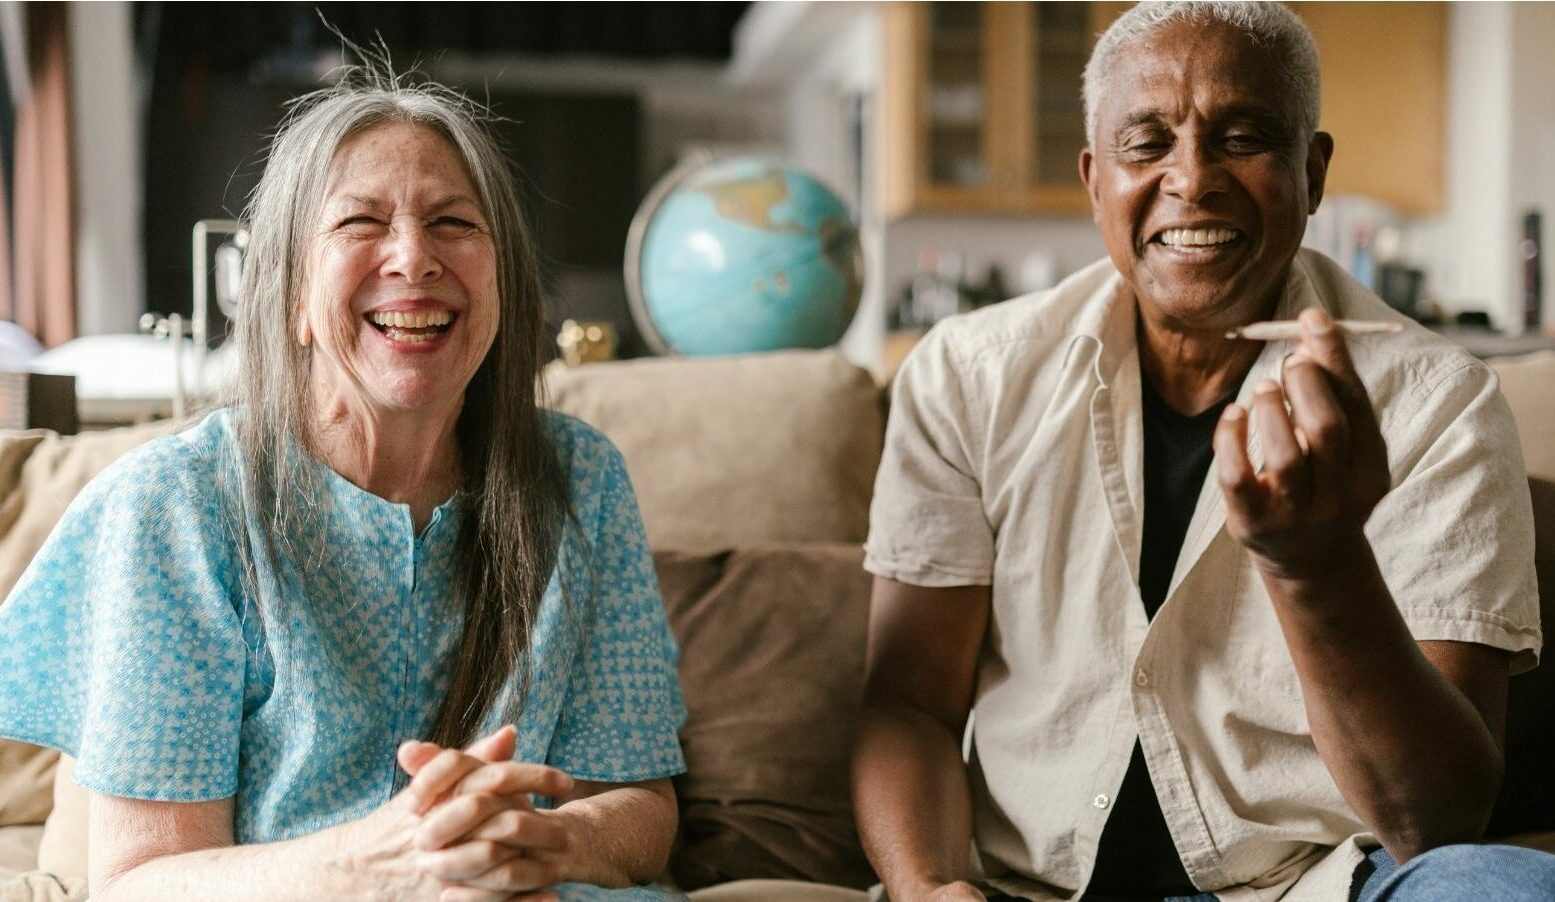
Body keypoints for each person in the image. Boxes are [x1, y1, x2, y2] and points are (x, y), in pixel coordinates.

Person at [852, 3, 1555, 901]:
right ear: (1093, 179)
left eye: (1242, 137)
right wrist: (931, 889)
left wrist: (1318, 566)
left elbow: (1434, 823)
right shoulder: (966, 375)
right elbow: (907, 703)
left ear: (1312, 170)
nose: (1192, 180)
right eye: (1145, 144)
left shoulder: (1435, 403)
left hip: (1309, 888)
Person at [0, 66, 686, 901]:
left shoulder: (580, 480)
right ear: (290, 292)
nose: (413, 257)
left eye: (453, 223)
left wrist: (536, 841)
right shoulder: (175, 507)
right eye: (360, 221)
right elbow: (143, 881)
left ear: (501, 280)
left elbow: (640, 805)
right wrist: (384, 864)